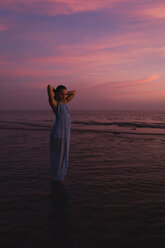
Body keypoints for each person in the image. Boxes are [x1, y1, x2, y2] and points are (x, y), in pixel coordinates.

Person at [47, 84, 76, 182]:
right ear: (57, 94)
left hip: (65, 134)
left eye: (65, 94)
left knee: (63, 156)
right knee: (58, 157)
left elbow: (74, 92)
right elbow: (49, 86)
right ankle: (57, 177)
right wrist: (55, 91)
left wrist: (65, 93)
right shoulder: (54, 104)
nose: (64, 96)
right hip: (59, 134)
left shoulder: (65, 102)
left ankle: (59, 176)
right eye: (62, 94)